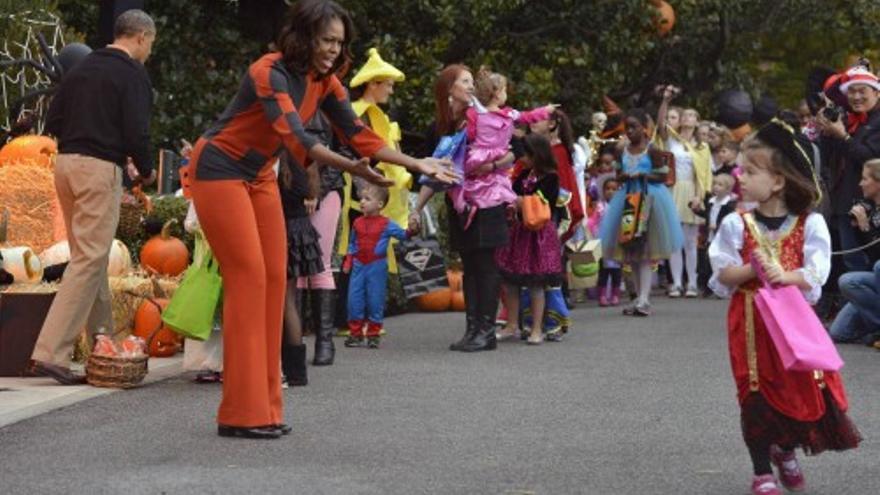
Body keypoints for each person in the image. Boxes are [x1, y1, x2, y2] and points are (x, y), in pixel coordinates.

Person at [187, 0, 455, 440]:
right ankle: (239, 412)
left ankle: (265, 409)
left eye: (340, 42)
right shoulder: (268, 71)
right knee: (250, 278)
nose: (333, 49)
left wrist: (415, 162)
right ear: (305, 36)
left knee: (276, 281)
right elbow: (297, 137)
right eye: (327, 40)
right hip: (219, 169)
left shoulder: (325, 82)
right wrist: (352, 168)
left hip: (258, 175)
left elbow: (358, 134)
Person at [709, 121, 861, 495]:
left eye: (751, 171)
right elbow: (721, 271)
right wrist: (752, 269)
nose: (740, 177)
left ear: (777, 181)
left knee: (796, 389)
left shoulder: (810, 224)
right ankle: (761, 471)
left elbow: (817, 272)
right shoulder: (735, 223)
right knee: (754, 391)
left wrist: (785, 275)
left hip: (792, 322)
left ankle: (786, 448)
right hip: (749, 321)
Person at [28, 10, 157, 385]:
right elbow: (137, 130)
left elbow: (53, 123)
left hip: (65, 165)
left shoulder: (81, 68)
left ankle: (103, 342)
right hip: (98, 169)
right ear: (141, 38)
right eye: (150, 44)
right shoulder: (131, 73)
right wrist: (146, 169)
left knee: (91, 255)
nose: (148, 51)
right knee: (88, 259)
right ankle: (51, 352)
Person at [412, 64, 514, 353]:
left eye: (472, 81)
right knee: (469, 266)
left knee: (486, 264)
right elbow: (432, 171)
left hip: (486, 202)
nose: (471, 86)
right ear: (449, 89)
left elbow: (511, 151)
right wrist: (416, 209)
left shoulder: (484, 119)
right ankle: (472, 329)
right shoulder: (439, 128)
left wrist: (493, 165)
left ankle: (487, 330)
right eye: (465, 82)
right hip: (458, 205)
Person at [598, 108, 683, 316]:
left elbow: (662, 176)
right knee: (632, 252)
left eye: (634, 127)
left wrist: (642, 175)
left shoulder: (652, 150)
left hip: (649, 201)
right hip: (628, 201)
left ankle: (645, 298)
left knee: (645, 252)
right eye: (627, 128)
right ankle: (637, 296)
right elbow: (617, 174)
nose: (630, 131)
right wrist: (623, 177)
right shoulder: (622, 151)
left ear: (644, 128)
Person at [452, 67, 553, 229]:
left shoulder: (474, 114)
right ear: (497, 93)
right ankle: (507, 205)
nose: (506, 93)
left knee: (473, 183)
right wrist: (545, 111)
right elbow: (527, 117)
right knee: (499, 183)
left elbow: (470, 135)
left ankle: (469, 206)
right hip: (500, 155)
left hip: (478, 154)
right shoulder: (509, 114)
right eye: (505, 89)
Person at [494, 134, 564, 344]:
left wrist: (519, 201)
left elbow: (545, 203)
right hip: (519, 232)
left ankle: (536, 329)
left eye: (525, 155)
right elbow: (511, 193)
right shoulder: (523, 173)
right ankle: (512, 325)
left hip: (538, 234)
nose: (522, 159)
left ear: (537, 154)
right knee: (510, 281)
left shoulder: (551, 177)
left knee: (536, 283)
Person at [815, 66, 880, 272]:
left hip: (871, 203)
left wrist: (843, 137)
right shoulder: (847, 119)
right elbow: (825, 158)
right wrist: (827, 131)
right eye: (851, 91)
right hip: (843, 200)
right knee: (850, 263)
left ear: (876, 93)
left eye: (863, 91)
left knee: (870, 264)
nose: (856, 97)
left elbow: (870, 158)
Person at [656, 86, 713, 298]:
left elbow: (705, 173)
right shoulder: (671, 140)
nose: (688, 117)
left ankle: (692, 283)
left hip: (691, 190)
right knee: (674, 239)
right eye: (685, 114)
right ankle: (677, 283)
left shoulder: (702, 147)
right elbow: (661, 124)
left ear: (697, 122)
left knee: (690, 240)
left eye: (692, 115)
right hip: (672, 189)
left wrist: (701, 195)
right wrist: (665, 101)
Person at [343, 185, 413, 348]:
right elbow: (352, 244)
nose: (362, 202)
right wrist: (348, 261)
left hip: (377, 266)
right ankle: (356, 333)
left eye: (367, 199)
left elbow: (403, 235)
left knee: (375, 299)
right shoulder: (357, 223)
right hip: (359, 265)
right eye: (361, 198)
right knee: (354, 300)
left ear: (380, 204)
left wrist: (412, 230)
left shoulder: (387, 224)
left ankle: (373, 334)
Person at [278, 154, 323, 387]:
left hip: (281, 229)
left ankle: (284, 369)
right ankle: (297, 372)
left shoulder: (280, 163)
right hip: (300, 230)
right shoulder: (307, 161)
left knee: (280, 303)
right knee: (290, 301)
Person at [829, 158, 880, 344]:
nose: (860, 184)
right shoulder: (871, 207)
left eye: (865, 179)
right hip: (875, 279)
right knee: (838, 333)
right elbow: (867, 257)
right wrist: (859, 228)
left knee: (871, 271)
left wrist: (867, 229)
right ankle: (874, 325)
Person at [691, 173, 737, 296]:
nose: (716, 187)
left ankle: (722, 286)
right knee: (707, 261)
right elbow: (707, 215)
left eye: (720, 185)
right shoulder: (711, 202)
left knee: (720, 262)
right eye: (715, 184)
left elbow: (730, 220)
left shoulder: (729, 205)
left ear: (728, 189)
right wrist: (695, 210)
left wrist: (718, 226)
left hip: (721, 237)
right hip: (710, 236)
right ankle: (708, 286)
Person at [589, 178, 622, 306]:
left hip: (617, 243)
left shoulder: (620, 206)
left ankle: (615, 295)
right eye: (608, 189)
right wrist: (591, 232)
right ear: (603, 191)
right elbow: (592, 222)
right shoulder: (600, 206)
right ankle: (602, 295)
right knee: (603, 271)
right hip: (603, 242)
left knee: (616, 272)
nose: (610, 192)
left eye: (614, 189)